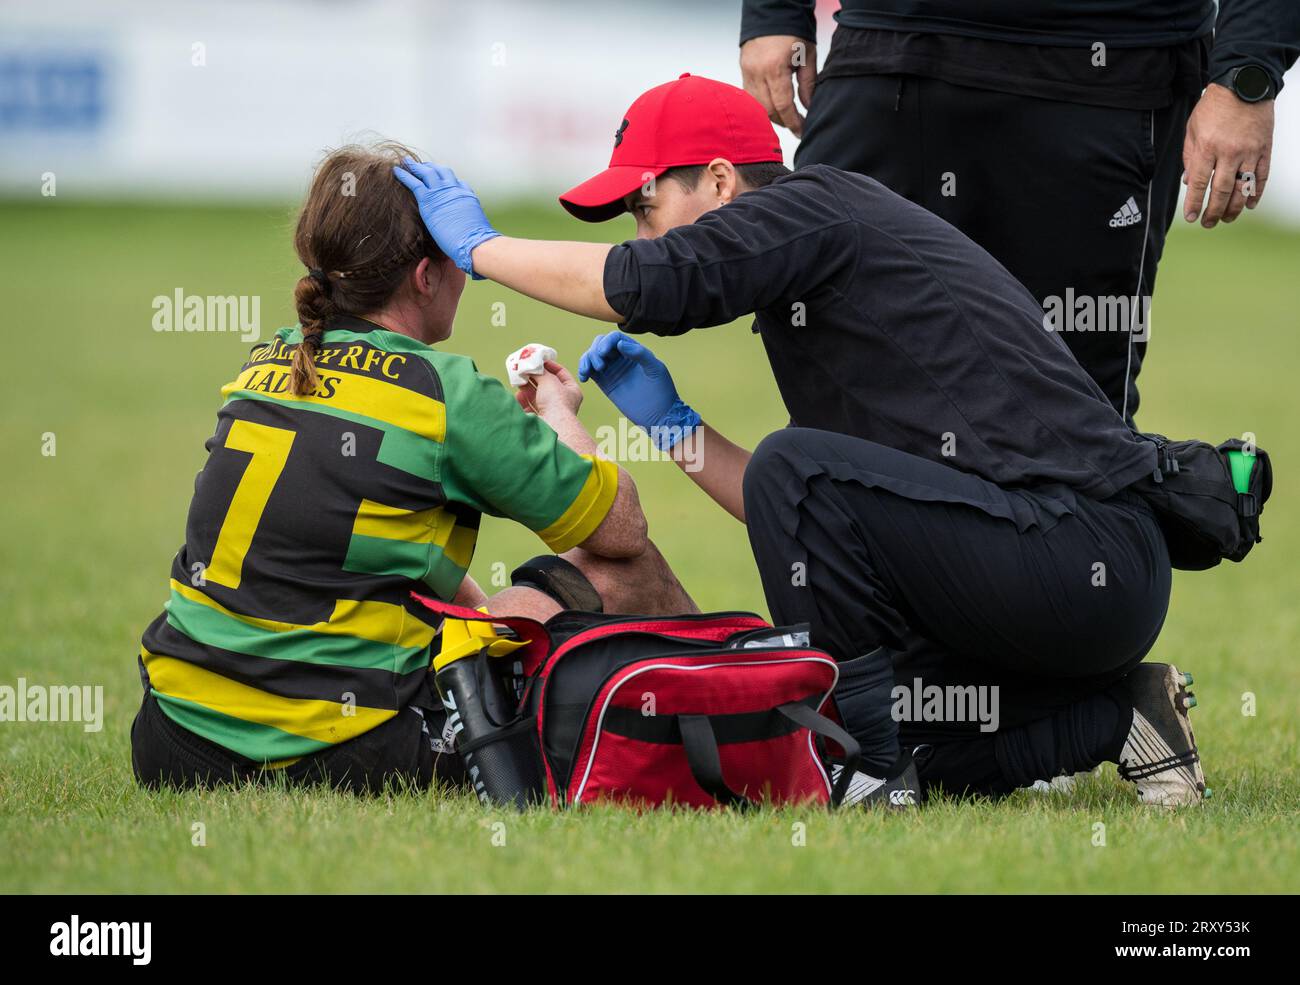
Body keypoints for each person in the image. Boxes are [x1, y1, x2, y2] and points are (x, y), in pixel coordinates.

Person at [394, 75, 1208, 806]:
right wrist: (675, 428)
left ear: (718, 180)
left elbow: (651, 284)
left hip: (1079, 550)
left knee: (835, 703)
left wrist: (482, 250)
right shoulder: (813, 274)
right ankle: (1114, 719)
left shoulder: (807, 207)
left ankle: (865, 774)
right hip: (1058, 571)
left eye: (645, 208)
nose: (644, 237)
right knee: (829, 713)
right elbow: (807, 520)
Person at [130, 141, 696, 794]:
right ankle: (744, 709)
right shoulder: (443, 393)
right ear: (426, 275)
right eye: (458, 256)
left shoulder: (269, 363)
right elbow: (619, 528)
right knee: (628, 570)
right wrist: (562, 413)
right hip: (338, 744)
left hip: (173, 737)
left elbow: (365, 538)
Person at [739, 0, 1300, 422]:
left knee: (1077, 418)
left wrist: (1245, 75)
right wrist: (773, 11)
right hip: (885, 52)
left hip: (1109, 73)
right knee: (833, 393)